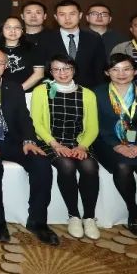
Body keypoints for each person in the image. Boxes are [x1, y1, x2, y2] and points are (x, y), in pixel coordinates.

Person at [0, 49, 59, 245]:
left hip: (11, 140)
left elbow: (24, 117)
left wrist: (29, 140)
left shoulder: (13, 88)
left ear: (5, 66)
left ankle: (38, 221)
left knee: (41, 163)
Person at [30, 54, 101, 240]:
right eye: (56, 69)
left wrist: (82, 147)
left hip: (79, 142)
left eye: (67, 68)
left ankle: (89, 217)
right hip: (50, 142)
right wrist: (55, 144)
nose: (62, 73)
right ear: (51, 72)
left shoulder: (87, 94)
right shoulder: (41, 91)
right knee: (66, 165)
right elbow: (36, 123)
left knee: (89, 166)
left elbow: (93, 127)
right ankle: (74, 215)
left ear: (74, 70)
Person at [93, 54, 137, 237]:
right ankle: (133, 211)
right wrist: (117, 145)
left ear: (135, 71)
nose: (121, 74)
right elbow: (96, 125)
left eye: (126, 69)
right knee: (123, 166)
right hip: (107, 144)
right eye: (115, 69)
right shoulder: (97, 94)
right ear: (107, 73)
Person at [38, 0, 107, 88]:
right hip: (55, 90)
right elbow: (42, 69)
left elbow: (99, 69)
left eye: (72, 14)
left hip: (87, 90)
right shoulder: (45, 39)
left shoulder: (94, 38)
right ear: (56, 17)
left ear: (80, 15)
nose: (67, 18)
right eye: (62, 14)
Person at [0, 15, 45, 91]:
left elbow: (39, 74)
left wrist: (18, 90)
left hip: (27, 93)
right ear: (2, 30)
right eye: (8, 27)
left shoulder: (33, 48)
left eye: (17, 27)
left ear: (22, 30)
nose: (13, 31)